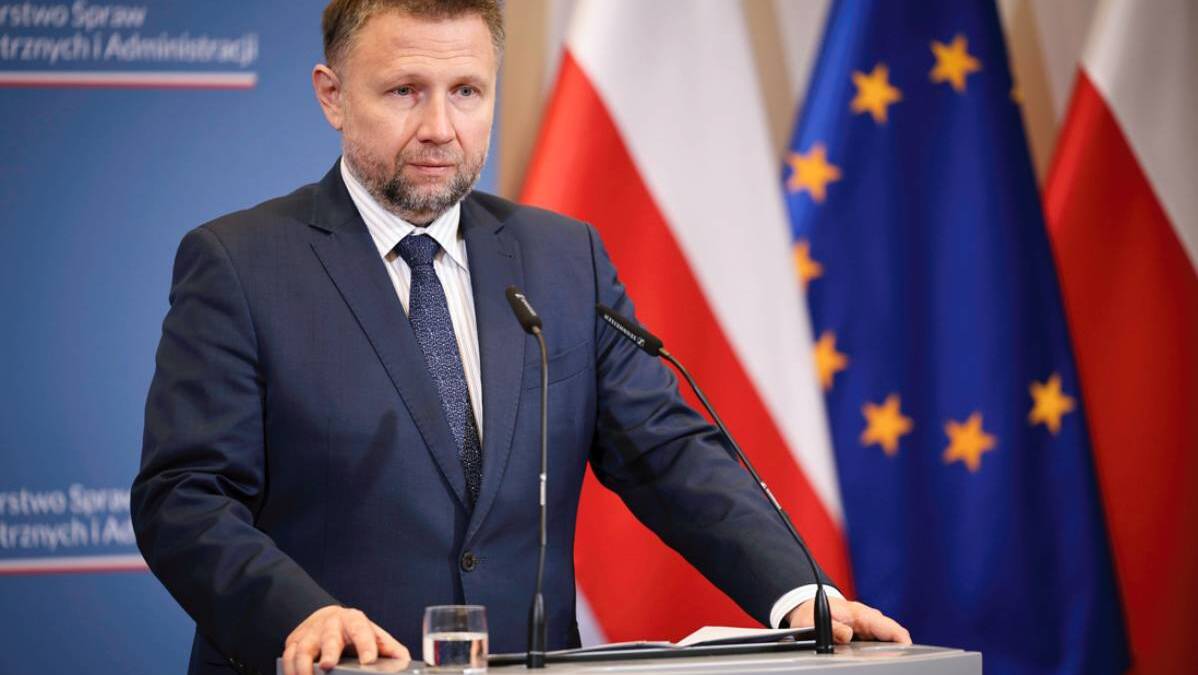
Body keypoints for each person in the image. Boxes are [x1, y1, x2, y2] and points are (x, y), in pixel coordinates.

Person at [131, 2, 910, 675]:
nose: (440, 128)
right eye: (404, 91)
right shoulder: (240, 263)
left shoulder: (563, 257)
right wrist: (299, 614)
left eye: (467, 92)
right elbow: (185, 496)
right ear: (331, 95)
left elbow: (666, 451)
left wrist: (799, 592)